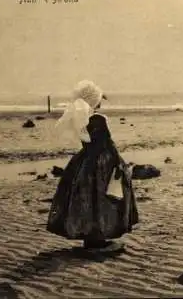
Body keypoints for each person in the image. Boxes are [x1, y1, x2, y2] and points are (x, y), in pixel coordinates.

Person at [47, 80, 139, 253]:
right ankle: (99, 238)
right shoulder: (99, 119)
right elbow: (107, 143)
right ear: (93, 100)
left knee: (87, 199)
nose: (100, 102)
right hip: (103, 161)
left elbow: (87, 142)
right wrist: (119, 163)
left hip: (85, 161)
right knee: (103, 198)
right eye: (98, 99)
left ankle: (89, 238)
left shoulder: (80, 120)